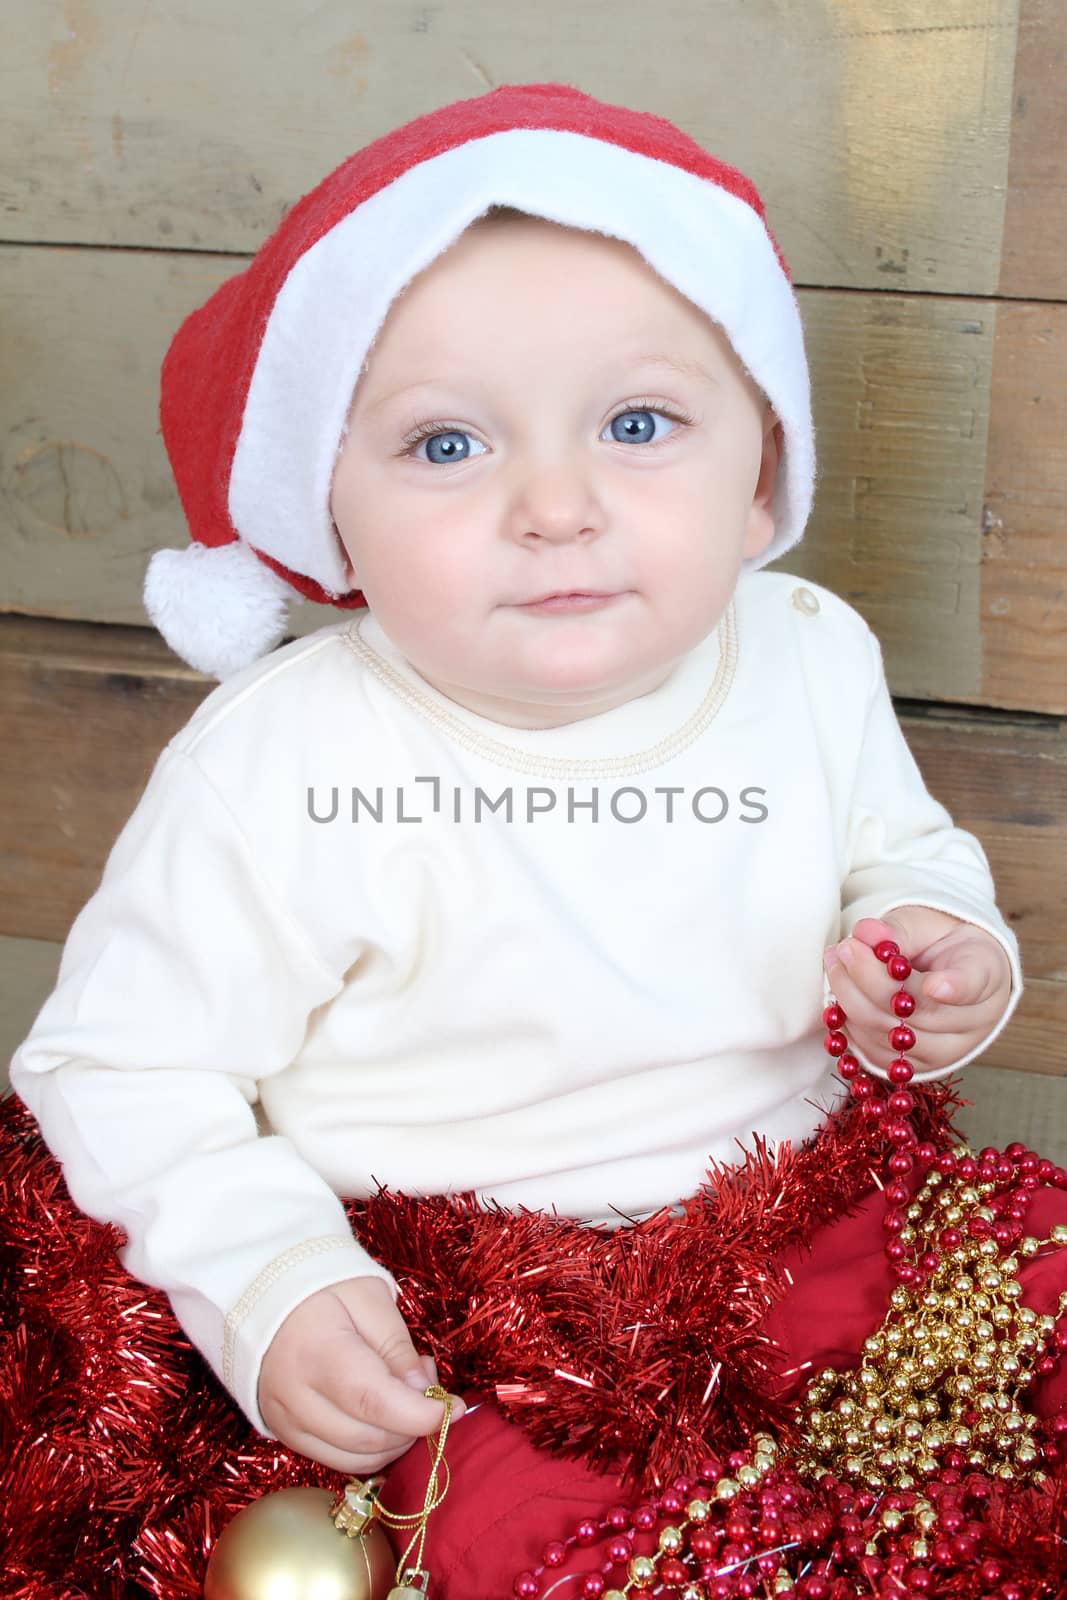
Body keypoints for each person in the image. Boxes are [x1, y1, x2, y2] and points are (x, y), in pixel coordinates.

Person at [7, 82, 1027, 1594]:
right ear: (328, 515)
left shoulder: (808, 648)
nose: (558, 505)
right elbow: (121, 1065)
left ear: (758, 478)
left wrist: (944, 958)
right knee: (534, 1542)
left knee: (1017, 1360)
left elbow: (905, 856)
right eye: (444, 447)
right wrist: (275, 1280)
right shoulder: (289, 761)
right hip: (447, 1285)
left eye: (637, 423)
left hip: (804, 1204)